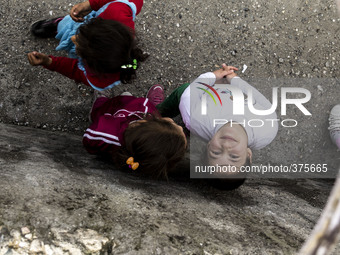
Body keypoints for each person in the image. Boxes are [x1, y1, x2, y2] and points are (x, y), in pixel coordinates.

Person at [156, 64, 279, 189]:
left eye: (215, 153)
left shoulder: (196, 118)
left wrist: (213, 76)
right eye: (234, 157)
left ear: (208, 145)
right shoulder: (268, 129)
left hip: (205, 95)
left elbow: (192, 91)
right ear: (249, 155)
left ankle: (156, 113)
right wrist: (234, 80)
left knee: (183, 91)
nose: (225, 146)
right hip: (228, 94)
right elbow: (259, 99)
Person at [27, 0, 147, 90]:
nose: (73, 38)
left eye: (79, 46)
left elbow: (77, 71)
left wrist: (49, 62)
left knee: (68, 26)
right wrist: (90, 4)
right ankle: (62, 25)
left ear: (92, 65)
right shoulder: (116, 12)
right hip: (101, 15)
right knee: (69, 24)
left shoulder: (99, 78)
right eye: (80, 35)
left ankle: (61, 26)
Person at [82, 85, 187, 179]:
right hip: (135, 110)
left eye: (172, 124)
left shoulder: (106, 133)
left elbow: (89, 139)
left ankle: (100, 98)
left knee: (100, 108)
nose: (181, 127)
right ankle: (156, 108)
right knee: (144, 105)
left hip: (112, 111)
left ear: (142, 123)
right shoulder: (148, 159)